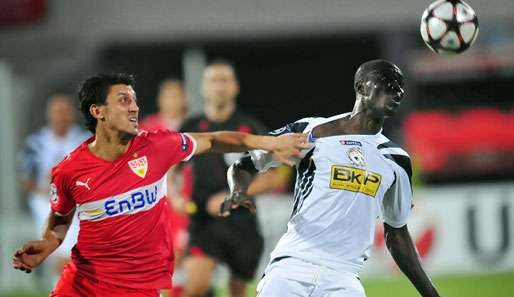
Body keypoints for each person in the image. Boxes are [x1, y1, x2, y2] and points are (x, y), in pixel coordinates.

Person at [11, 73, 309, 297]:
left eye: (135, 100)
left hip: (140, 287)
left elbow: (216, 138)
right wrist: (49, 243)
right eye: (123, 100)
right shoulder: (69, 171)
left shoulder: (158, 145)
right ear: (97, 111)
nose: (134, 108)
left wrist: (269, 141)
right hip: (84, 284)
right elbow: (60, 220)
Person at [223, 60, 442, 297]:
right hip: (292, 266)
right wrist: (238, 191)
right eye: (386, 83)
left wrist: (431, 294)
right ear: (360, 88)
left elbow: (397, 233)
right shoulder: (312, 131)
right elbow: (244, 164)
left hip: (343, 278)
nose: (396, 92)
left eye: (399, 87)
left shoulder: (396, 160)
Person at [180, 60, 285, 297]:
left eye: (224, 80)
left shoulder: (250, 128)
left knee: (237, 292)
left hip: (242, 222)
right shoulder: (191, 126)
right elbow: (170, 167)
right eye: (213, 81)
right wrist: (174, 195)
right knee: (195, 287)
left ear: (235, 87)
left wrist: (233, 195)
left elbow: (274, 178)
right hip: (203, 220)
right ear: (204, 87)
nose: (219, 86)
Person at [20, 94, 89, 283]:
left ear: (72, 115)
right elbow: (27, 178)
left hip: (80, 203)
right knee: (63, 256)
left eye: (64, 112)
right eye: (56, 112)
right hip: (47, 203)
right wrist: (51, 188)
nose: (60, 117)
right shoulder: (36, 143)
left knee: (77, 258)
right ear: (49, 115)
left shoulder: (86, 140)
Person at [140, 79, 190, 297]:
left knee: (181, 257)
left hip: (186, 203)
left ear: (184, 99)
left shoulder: (194, 125)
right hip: (155, 205)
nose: (172, 100)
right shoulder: (147, 128)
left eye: (177, 95)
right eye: (168, 95)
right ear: (160, 100)